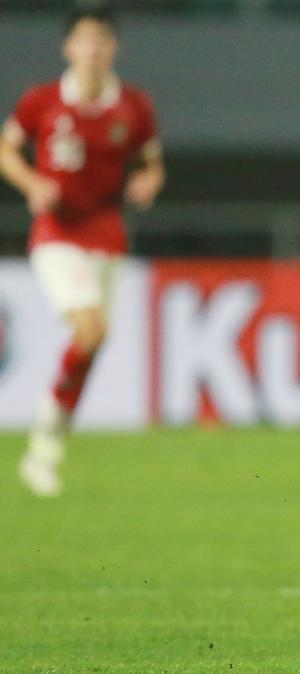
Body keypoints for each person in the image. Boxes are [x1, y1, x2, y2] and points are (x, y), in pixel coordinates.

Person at [0, 1, 164, 497]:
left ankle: (47, 442)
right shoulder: (42, 101)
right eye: (84, 42)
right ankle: (47, 441)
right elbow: (6, 149)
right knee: (91, 329)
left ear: (113, 49)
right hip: (56, 232)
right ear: (69, 48)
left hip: (106, 231)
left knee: (94, 341)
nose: (93, 51)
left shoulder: (133, 107)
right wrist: (31, 183)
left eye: (102, 42)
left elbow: (152, 162)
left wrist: (148, 181)